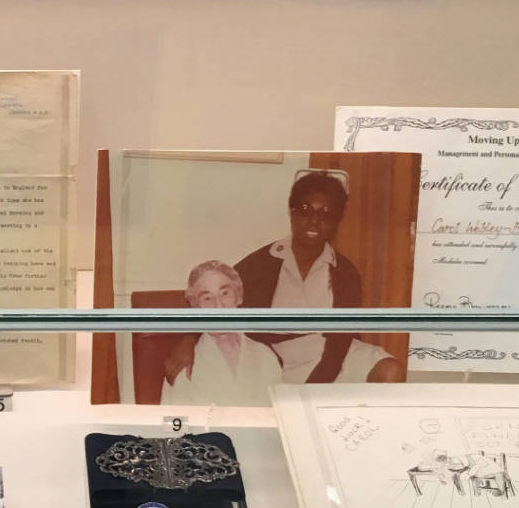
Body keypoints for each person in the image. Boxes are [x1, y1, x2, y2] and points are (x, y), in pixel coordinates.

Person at [165, 170, 402, 387]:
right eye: (306, 210)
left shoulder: (345, 272)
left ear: (337, 220)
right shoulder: (259, 264)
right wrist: (188, 340)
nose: (314, 221)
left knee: (390, 372)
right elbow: (222, 303)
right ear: (292, 212)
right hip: (277, 361)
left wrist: (315, 387)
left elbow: (339, 343)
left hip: (337, 356)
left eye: (326, 214)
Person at [162, 260, 283, 406]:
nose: (218, 306)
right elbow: (173, 424)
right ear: (196, 307)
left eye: (225, 293)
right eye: (207, 298)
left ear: (238, 297)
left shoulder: (266, 357)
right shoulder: (184, 365)